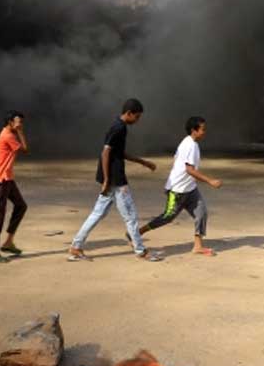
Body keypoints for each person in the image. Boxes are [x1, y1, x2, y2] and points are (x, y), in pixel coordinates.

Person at [67, 98, 161, 262]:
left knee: (97, 214)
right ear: (129, 113)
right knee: (130, 216)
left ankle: (76, 246)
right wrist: (107, 179)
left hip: (112, 179)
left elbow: (118, 153)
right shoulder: (118, 128)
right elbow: (105, 152)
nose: (137, 121)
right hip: (116, 180)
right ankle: (141, 251)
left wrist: (143, 162)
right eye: (137, 117)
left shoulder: (119, 126)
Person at [138, 116, 222, 256]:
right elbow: (190, 170)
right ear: (193, 130)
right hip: (177, 190)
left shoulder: (190, 143)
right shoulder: (190, 145)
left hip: (190, 188)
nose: (204, 132)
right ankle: (138, 232)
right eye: (202, 129)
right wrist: (210, 181)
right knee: (167, 217)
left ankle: (198, 246)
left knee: (201, 213)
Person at [0, 110, 29, 263]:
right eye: (19, 122)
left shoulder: (7, 132)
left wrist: (19, 131)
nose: (21, 125)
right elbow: (24, 149)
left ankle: (8, 242)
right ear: (10, 122)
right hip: (1, 179)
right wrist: (21, 133)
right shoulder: (8, 135)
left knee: (21, 206)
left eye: (22, 122)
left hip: (7, 178)